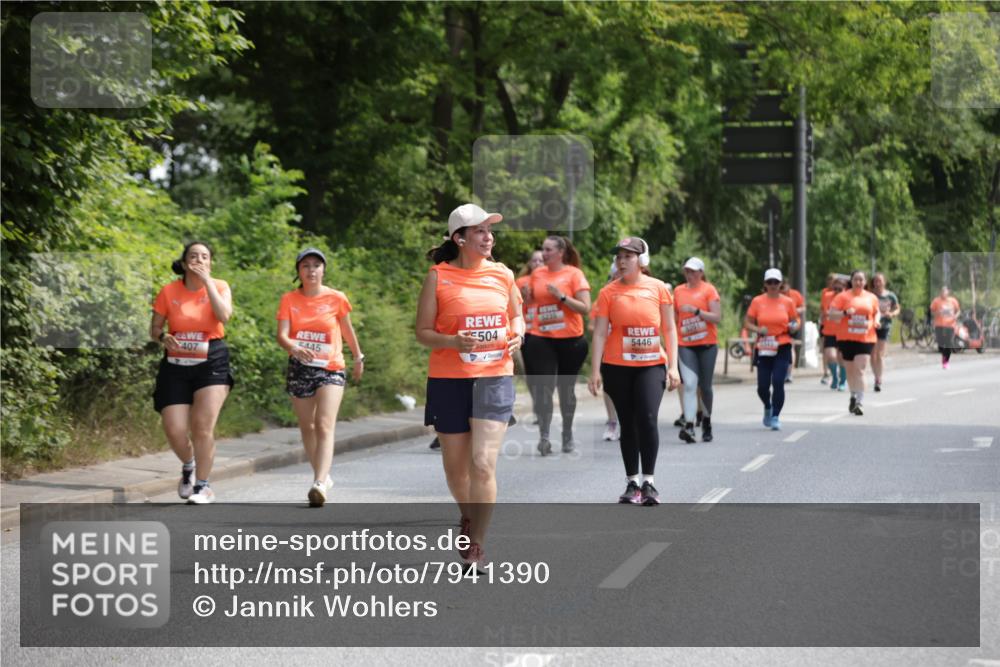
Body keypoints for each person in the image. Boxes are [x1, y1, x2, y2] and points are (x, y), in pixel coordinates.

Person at [416, 203, 524, 568]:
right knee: (456, 469)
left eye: (490, 231)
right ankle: (467, 513)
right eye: (479, 231)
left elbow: (517, 316)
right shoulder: (438, 276)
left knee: (482, 464)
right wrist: (452, 342)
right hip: (449, 380)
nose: (488, 236)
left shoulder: (503, 275)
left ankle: (477, 542)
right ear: (460, 238)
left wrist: (519, 335)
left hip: (494, 378)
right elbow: (423, 332)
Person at [588, 237, 680, 506]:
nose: (622, 261)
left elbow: (670, 329)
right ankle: (632, 483)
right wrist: (595, 372)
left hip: (651, 365)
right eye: (619, 256)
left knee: (648, 418)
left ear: (642, 260)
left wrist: (673, 366)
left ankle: (649, 481)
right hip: (617, 366)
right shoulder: (608, 293)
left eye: (629, 256)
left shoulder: (659, 288)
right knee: (628, 423)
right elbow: (600, 334)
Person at [277, 248, 364, 507]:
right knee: (308, 427)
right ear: (299, 272)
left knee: (324, 423)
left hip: (331, 367)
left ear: (323, 270)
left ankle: (318, 482)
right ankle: (324, 477)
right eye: (306, 265)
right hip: (300, 367)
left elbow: (347, 331)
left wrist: (358, 358)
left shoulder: (336, 298)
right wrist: (293, 346)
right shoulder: (289, 299)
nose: (311, 270)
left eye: (316, 265)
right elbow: (282, 335)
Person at [150, 241, 234, 505]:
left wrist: (207, 282)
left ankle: (203, 486)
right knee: (174, 428)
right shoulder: (169, 291)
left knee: (201, 426)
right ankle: (189, 465)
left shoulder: (220, 286)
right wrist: (163, 337)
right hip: (175, 362)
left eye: (205, 257)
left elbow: (224, 316)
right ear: (185, 264)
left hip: (212, 360)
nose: (199, 260)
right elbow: (154, 329)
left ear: (210, 263)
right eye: (194, 256)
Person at [522, 235, 591, 455]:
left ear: (560, 253)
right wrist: (525, 296)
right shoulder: (537, 274)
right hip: (541, 337)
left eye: (549, 249)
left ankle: (567, 434)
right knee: (544, 387)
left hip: (570, 339)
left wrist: (561, 297)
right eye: (543, 249)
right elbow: (530, 303)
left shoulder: (574, 274)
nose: (544, 253)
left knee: (565, 389)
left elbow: (585, 308)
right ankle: (544, 436)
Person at [744, 268, 800, 431]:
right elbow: (747, 322)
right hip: (764, 345)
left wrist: (794, 325)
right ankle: (767, 406)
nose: (773, 285)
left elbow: (795, 320)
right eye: (770, 282)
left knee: (778, 382)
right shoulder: (757, 301)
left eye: (776, 282)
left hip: (782, 344)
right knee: (762, 386)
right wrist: (757, 329)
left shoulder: (787, 302)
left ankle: (775, 415)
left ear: (781, 284)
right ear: (765, 284)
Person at [673, 257, 722, 443]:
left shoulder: (709, 290)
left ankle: (707, 422)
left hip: (707, 344)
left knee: (705, 387)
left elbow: (717, 317)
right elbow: (674, 318)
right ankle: (689, 426)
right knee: (690, 385)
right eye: (687, 271)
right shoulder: (678, 291)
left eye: (693, 271)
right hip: (686, 345)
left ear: (701, 272)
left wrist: (696, 312)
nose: (690, 274)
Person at [830, 270, 881, 416]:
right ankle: (853, 395)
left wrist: (877, 321)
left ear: (865, 282)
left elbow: (876, 311)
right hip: (846, 338)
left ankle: (860, 402)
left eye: (861, 280)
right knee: (850, 371)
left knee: (860, 369)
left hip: (866, 337)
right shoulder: (842, 297)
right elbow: (832, 314)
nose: (858, 282)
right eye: (856, 279)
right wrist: (845, 313)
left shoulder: (871, 297)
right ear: (851, 281)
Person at [870, 272, 900, 391]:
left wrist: (891, 314)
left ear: (884, 282)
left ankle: (878, 379)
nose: (877, 283)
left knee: (880, 354)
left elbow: (897, 308)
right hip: (872, 326)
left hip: (885, 325)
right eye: (876, 281)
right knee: (872, 355)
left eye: (880, 281)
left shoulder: (890, 295)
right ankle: (875, 376)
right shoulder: (870, 295)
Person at [781, 281, 806, 383]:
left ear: (788, 286)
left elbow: (803, 307)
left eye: (784, 286)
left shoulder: (795, 294)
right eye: (781, 287)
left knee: (790, 346)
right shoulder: (775, 294)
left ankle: (789, 373)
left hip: (792, 322)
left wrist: (794, 310)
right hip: (779, 323)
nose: (782, 289)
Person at [930, 286, 961, 369]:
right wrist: (937, 313)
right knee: (940, 343)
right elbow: (932, 312)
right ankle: (944, 357)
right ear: (940, 292)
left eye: (945, 292)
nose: (943, 293)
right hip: (939, 325)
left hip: (950, 325)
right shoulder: (936, 301)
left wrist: (955, 316)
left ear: (948, 292)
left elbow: (958, 310)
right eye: (942, 292)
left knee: (948, 343)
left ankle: (945, 361)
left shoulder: (953, 301)